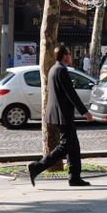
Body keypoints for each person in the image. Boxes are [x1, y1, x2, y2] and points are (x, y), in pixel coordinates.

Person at [27, 44, 93, 187]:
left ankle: (74, 177)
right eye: (69, 53)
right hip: (62, 114)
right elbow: (71, 94)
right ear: (64, 56)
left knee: (73, 147)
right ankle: (37, 167)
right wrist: (85, 111)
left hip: (58, 113)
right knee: (65, 146)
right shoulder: (61, 70)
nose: (70, 56)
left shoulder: (53, 69)